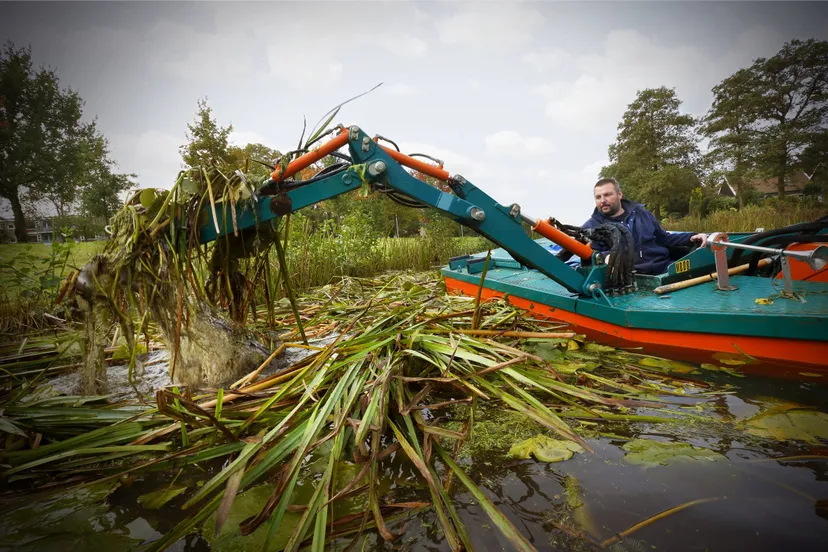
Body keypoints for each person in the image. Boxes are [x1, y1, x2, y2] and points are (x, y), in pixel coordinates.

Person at [583, 178, 707, 275]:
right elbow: (590, 255)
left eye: (607, 195)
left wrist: (691, 237)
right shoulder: (591, 227)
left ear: (619, 195)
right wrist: (606, 256)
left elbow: (664, 238)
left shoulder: (643, 214)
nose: (603, 200)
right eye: (598, 197)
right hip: (632, 279)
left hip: (665, 268)